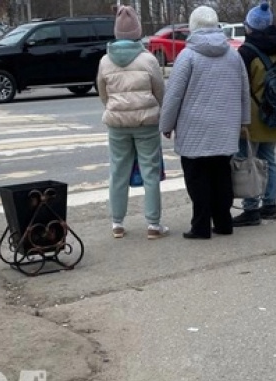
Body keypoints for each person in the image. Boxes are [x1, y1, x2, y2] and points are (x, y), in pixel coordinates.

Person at [159, 6, 251, 239]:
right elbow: (244, 90)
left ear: (193, 27)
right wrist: (244, 121)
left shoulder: (187, 56)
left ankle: (200, 226)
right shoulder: (233, 55)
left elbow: (174, 95)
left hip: (194, 129)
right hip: (225, 128)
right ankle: (223, 222)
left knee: (197, 179)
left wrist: (166, 125)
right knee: (222, 175)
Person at [97, 5, 169, 240]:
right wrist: (159, 112)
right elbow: (160, 90)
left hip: (117, 123)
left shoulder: (105, 61)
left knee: (118, 171)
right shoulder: (148, 60)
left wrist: (114, 108)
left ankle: (117, 223)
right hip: (146, 123)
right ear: (137, 31)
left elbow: (103, 93)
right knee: (150, 171)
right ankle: (153, 225)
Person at [231, 0, 276, 227]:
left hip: (252, 116)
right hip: (275, 110)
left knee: (248, 160)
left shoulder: (246, 52)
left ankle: (251, 207)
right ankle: (270, 205)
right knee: (269, 160)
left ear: (251, 27)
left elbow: (240, 86)